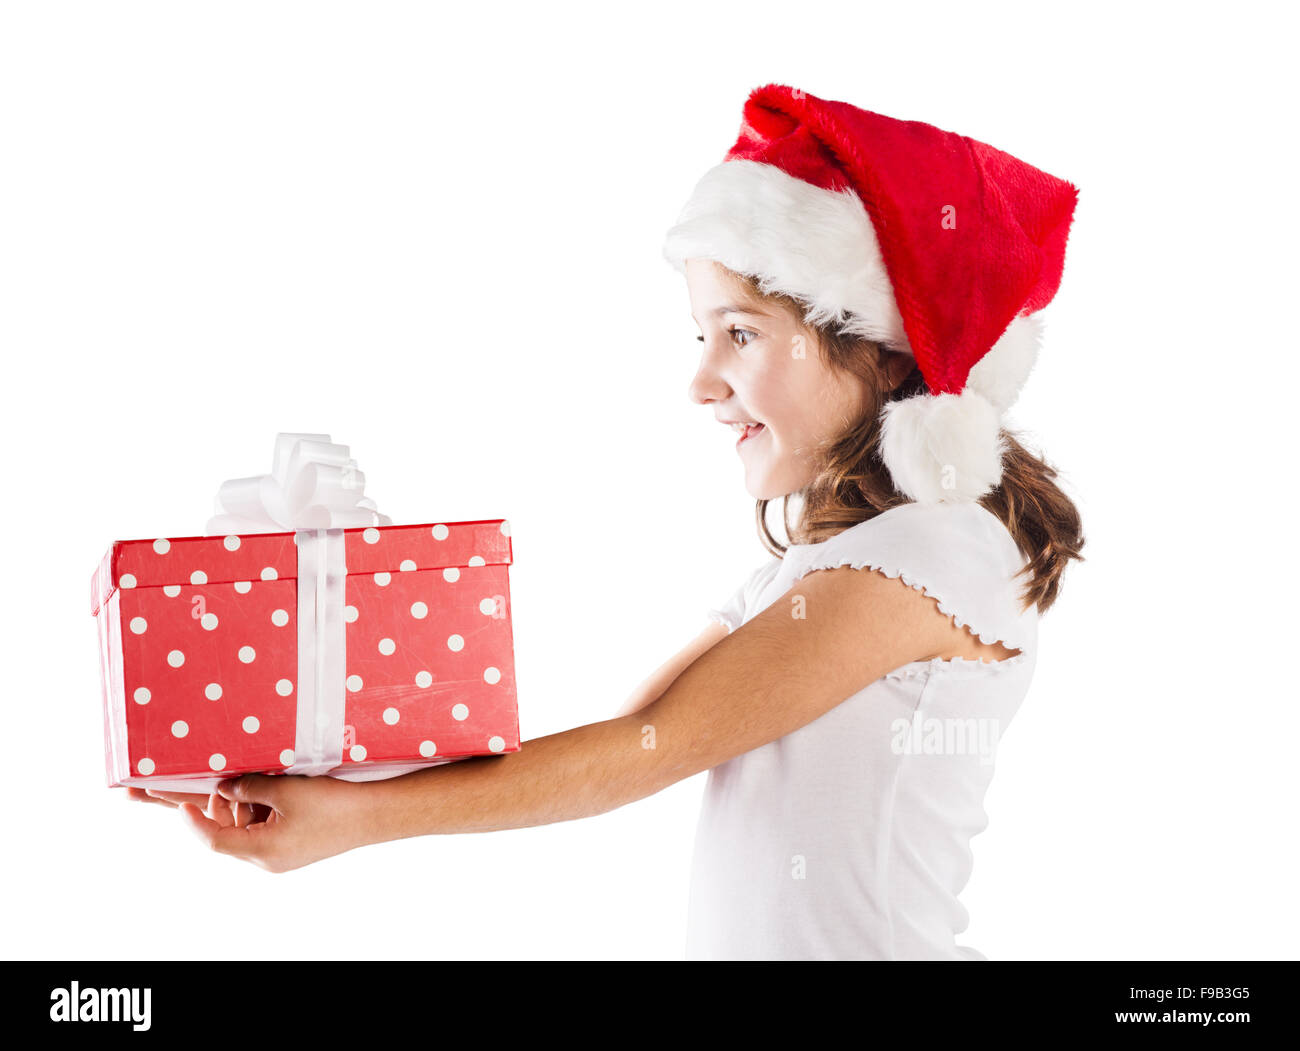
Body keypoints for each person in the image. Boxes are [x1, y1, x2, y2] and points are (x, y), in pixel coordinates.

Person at [128, 82, 1085, 960]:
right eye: (701, 336)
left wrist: (355, 822)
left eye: (741, 332)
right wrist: (322, 772)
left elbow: (649, 750)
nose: (702, 381)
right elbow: (622, 732)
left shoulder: (935, 552)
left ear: (880, 350)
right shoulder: (807, 574)